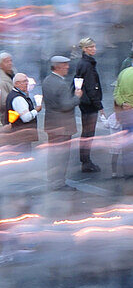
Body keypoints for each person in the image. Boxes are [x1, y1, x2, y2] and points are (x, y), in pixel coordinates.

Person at [42, 55, 81, 189]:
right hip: (63, 126)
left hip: (51, 124)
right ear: (57, 66)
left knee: (53, 154)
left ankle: (52, 179)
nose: (67, 67)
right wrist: (77, 97)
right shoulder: (61, 84)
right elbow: (66, 105)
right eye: (65, 65)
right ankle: (59, 183)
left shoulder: (47, 80)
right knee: (62, 156)